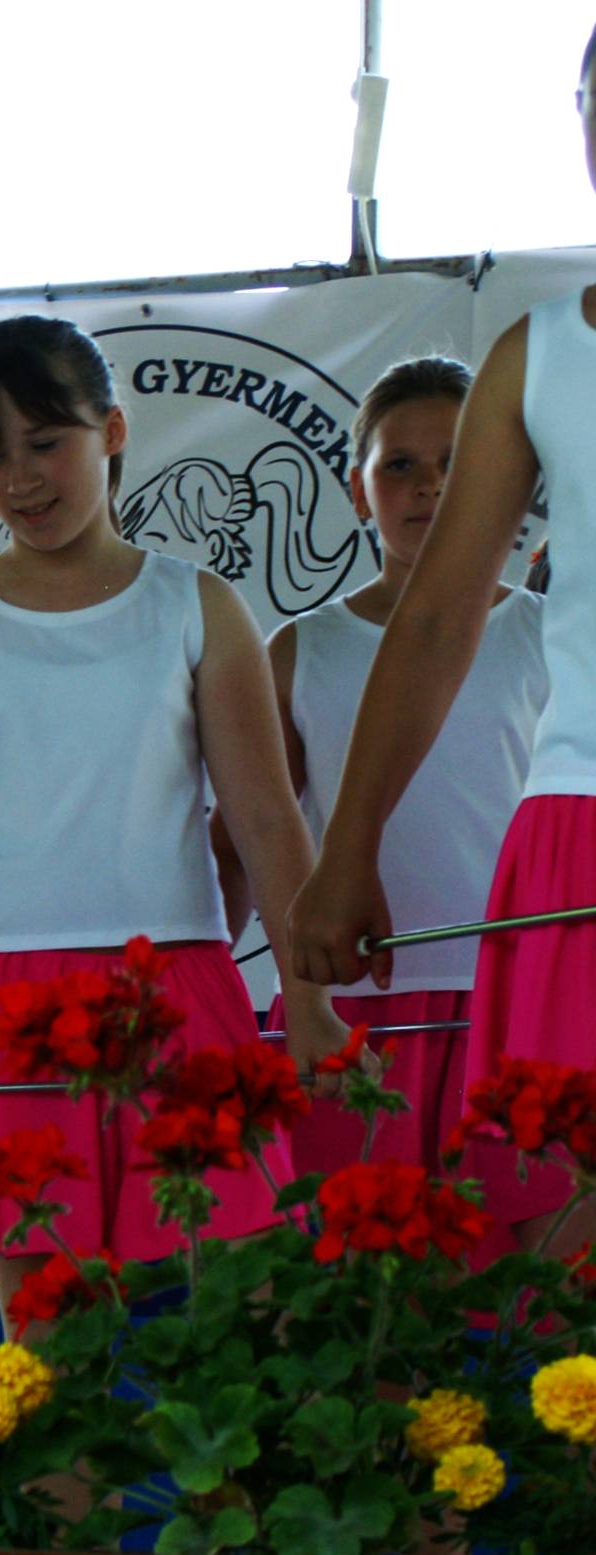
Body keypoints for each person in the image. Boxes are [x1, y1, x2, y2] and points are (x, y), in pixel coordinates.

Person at [0, 315, 350, 1331]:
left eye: (44, 442)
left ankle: (244, 1500)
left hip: (171, 981)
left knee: (249, 1304)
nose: (18, 476)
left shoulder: (199, 607)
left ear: (112, 432)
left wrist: (305, 1001)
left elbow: (264, 816)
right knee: (50, 1331)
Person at [294, 30, 596, 1262]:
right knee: (564, 1258)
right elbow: (433, 615)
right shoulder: (539, 353)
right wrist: (344, 847)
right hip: (574, 818)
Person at [255, 359, 556, 1252]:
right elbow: (255, 839)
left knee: (541, 1312)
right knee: (360, 1321)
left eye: (458, 464)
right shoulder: (298, 649)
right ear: (357, 489)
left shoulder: (553, 636)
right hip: (347, 1023)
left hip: (517, 1008)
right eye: (400, 466)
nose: (429, 487)